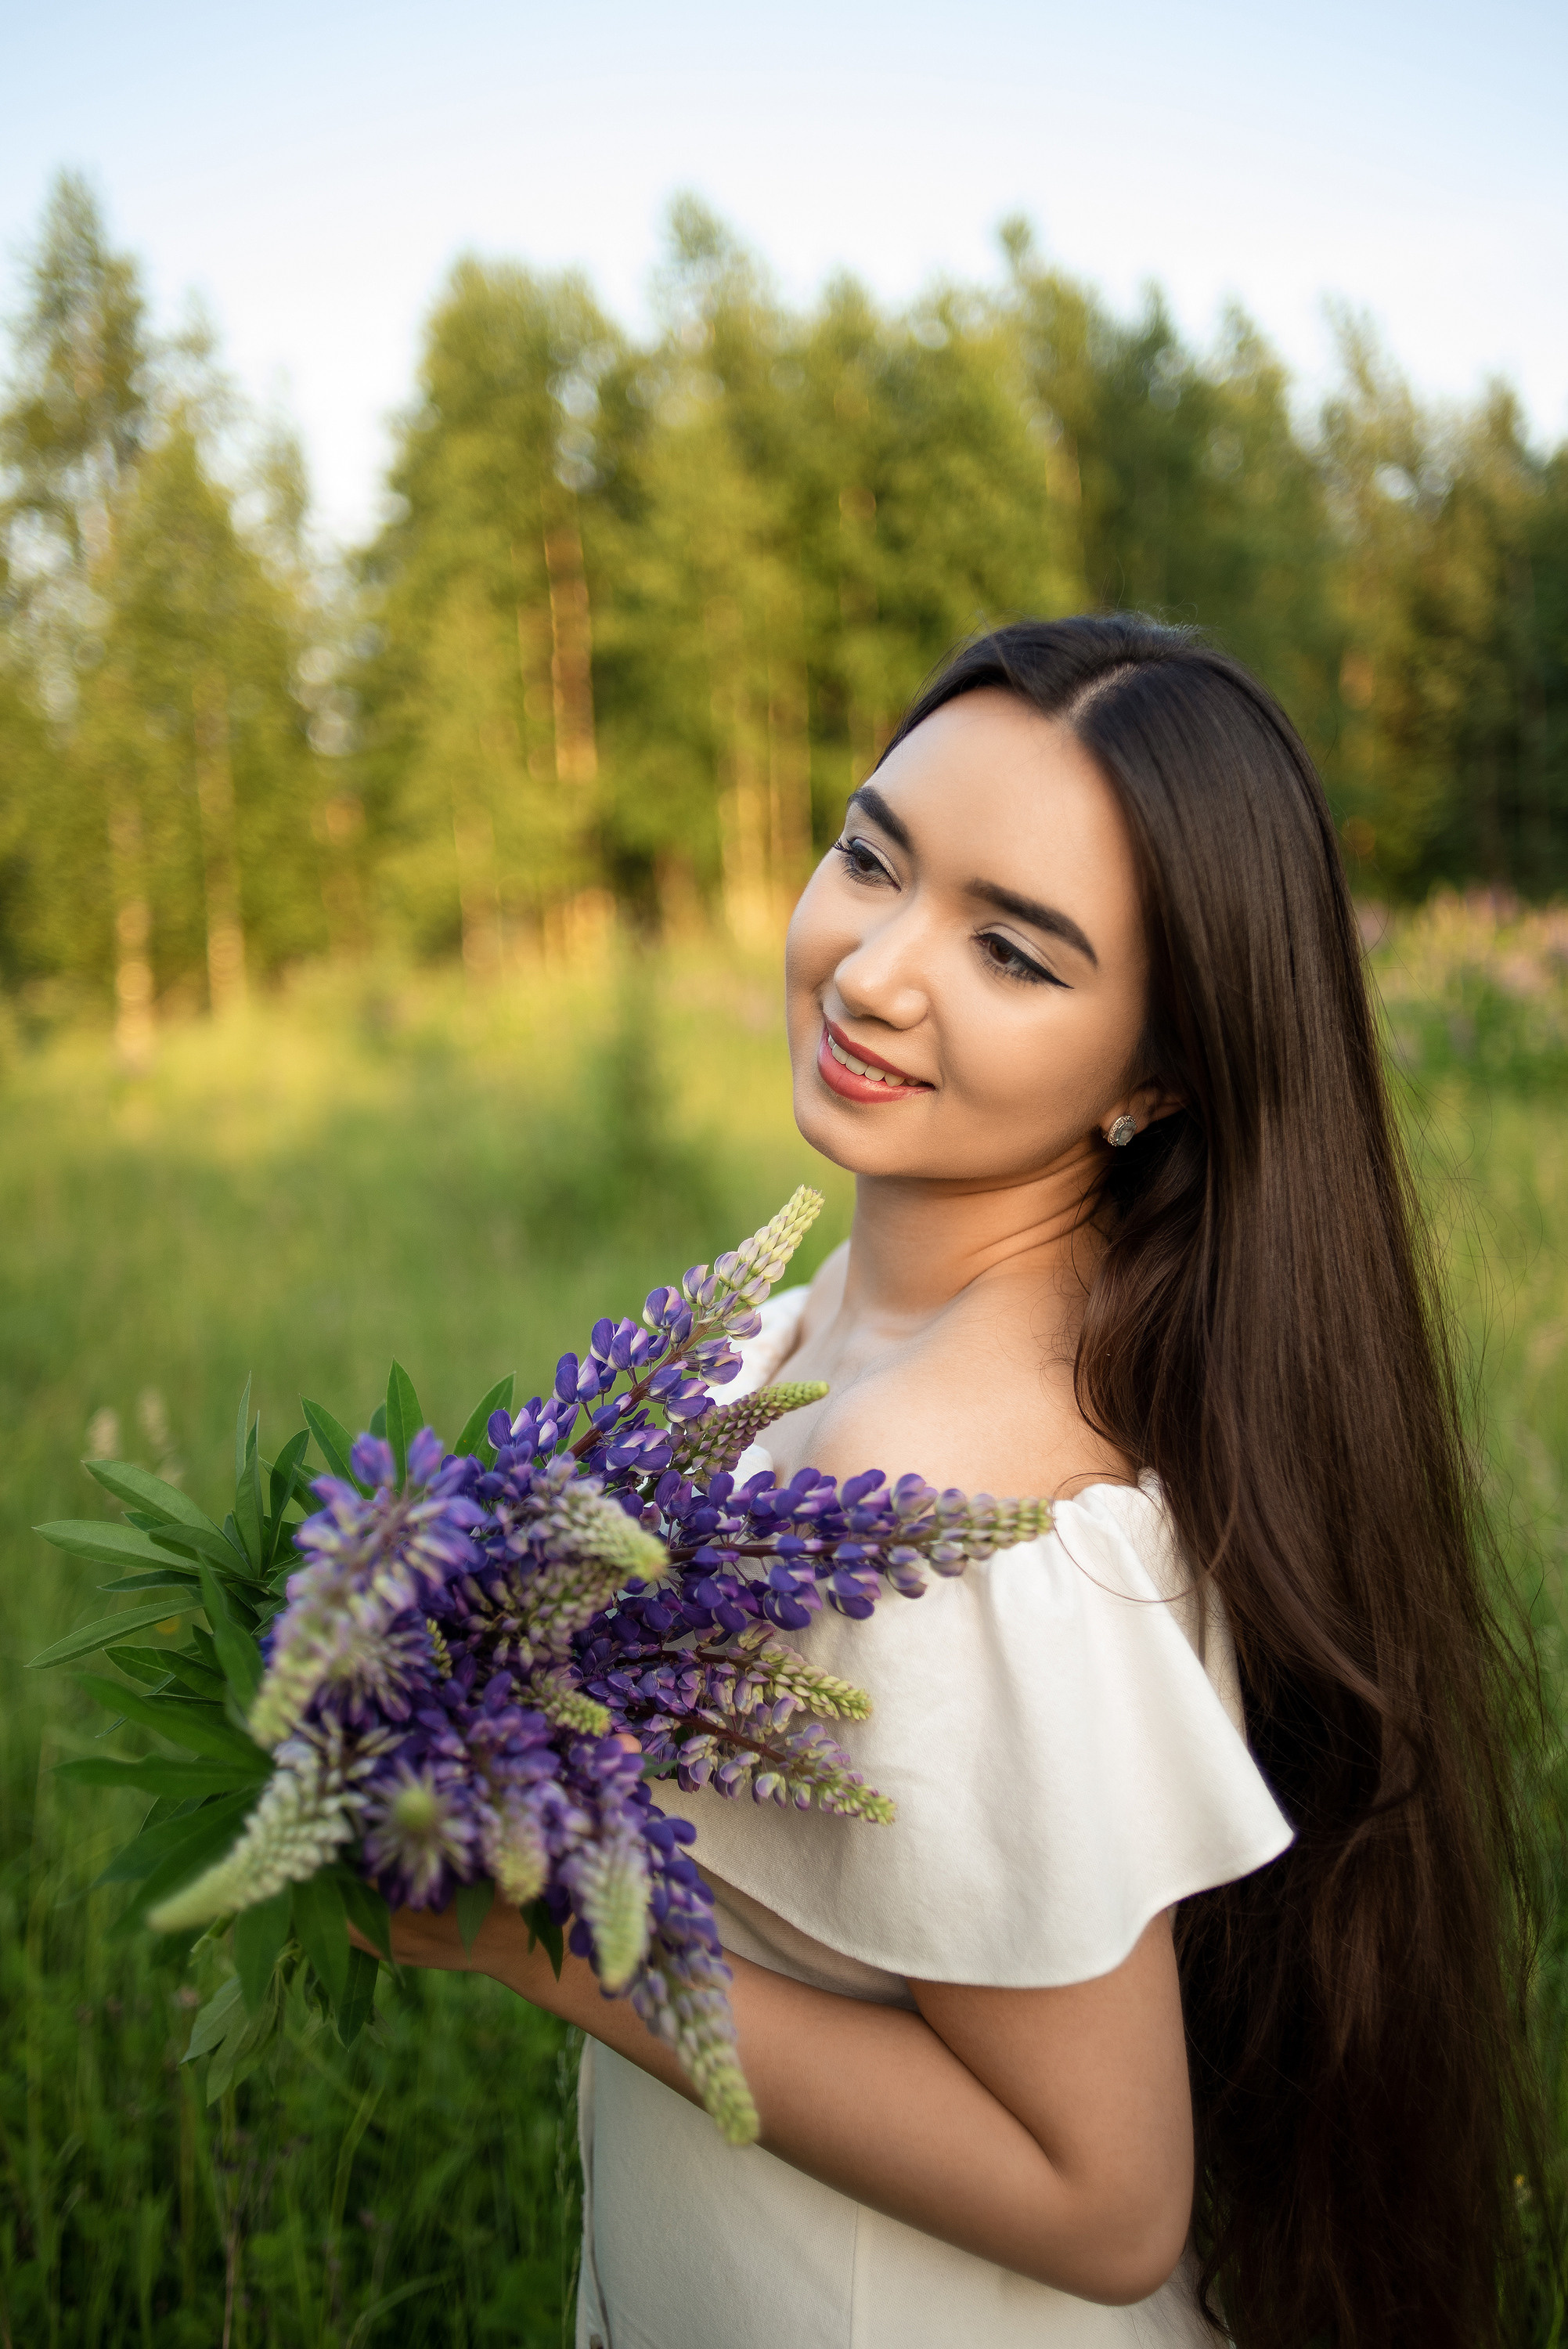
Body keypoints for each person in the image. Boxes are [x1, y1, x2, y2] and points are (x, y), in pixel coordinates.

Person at [377, 617, 1539, 2348]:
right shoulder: (783, 1339)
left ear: (1157, 1075)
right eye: (870, 857)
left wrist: (530, 1934)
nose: (873, 969)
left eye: (1013, 949)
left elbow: (1105, 2194)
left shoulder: (934, 1504)